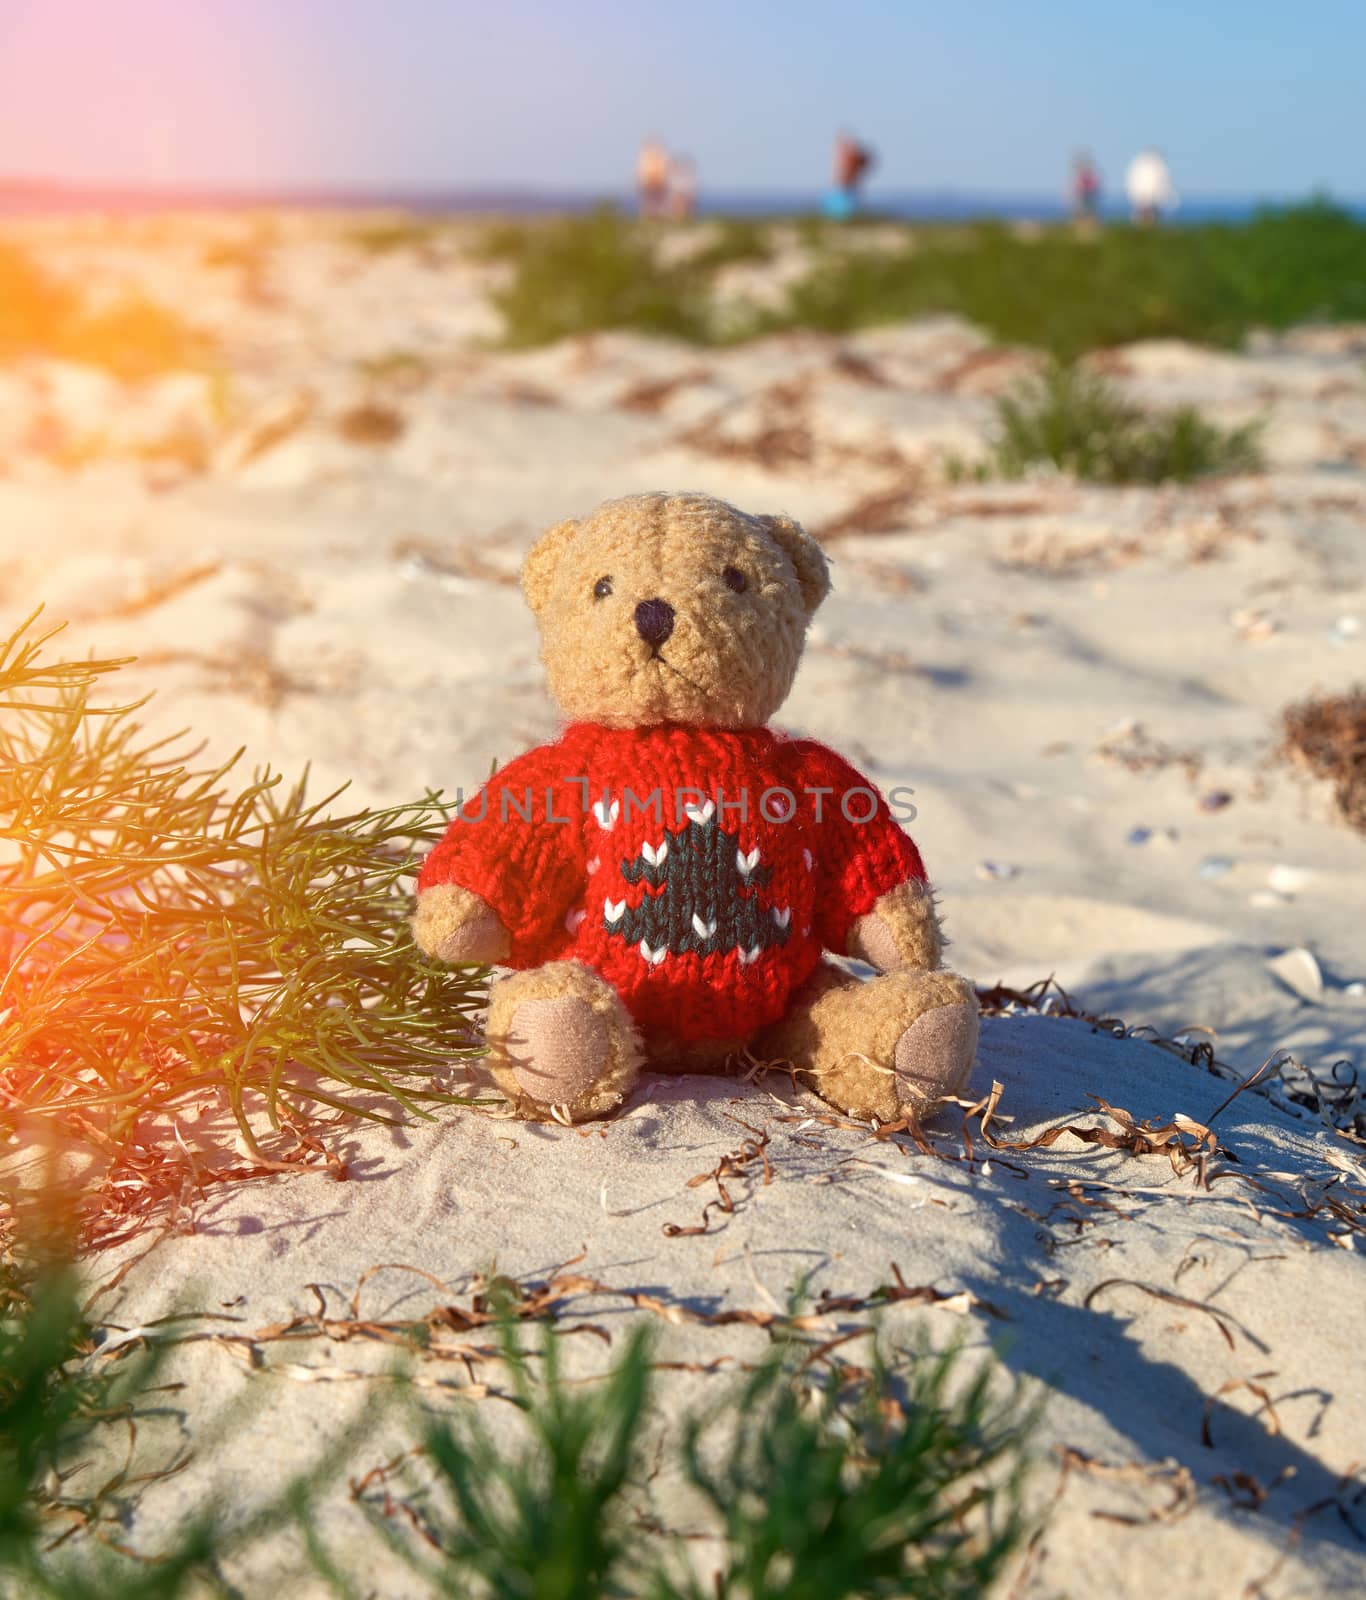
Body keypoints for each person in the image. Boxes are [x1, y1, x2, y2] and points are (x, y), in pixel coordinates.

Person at [825, 130, 874, 220]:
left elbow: (865, 160)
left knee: (844, 211)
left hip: (846, 190)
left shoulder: (851, 158)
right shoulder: (849, 158)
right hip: (844, 190)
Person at [1125, 149, 1177, 226]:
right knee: (1145, 220)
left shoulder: (1139, 165)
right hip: (1146, 200)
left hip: (1146, 200)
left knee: (1149, 220)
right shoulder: (1156, 167)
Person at [636, 137, 669, 219]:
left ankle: (658, 217)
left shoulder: (661, 155)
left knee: (658, 204)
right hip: (649, 183)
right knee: (648, 204)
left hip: (658, 183)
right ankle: (649, 217)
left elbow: (665, 171)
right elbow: (641, 172)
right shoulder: (645, 156)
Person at [1070, 150, 1102, 223]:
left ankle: (1088, 221)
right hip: (1083, 195)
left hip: (1088, 195)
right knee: (1081, 210)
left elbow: (1094, 184)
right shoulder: (1081, 174)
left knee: (1087, 210)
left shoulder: (1088, 174)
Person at [667, 155, 698, 221]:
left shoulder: (685, 176)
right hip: (678, 192)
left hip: (681, 192)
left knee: (684, 207)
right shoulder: (675, 176)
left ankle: (683, 219)